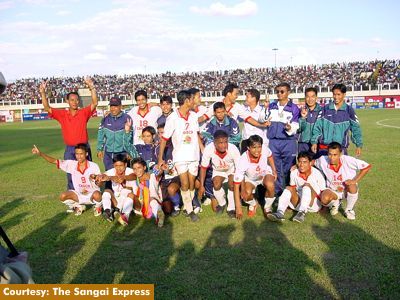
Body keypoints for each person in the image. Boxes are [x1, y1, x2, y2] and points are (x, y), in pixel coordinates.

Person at [39, 78, 98, 190]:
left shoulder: (83, 113)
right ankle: (73, 197)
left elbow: (95, 103)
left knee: (89, 171)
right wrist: (42, 92)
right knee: (71, 173)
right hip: (70, 149)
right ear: (67, 101)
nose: (75, 102)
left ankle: (93, 194)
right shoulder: (62, 114)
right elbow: (47, 107)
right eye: (72, 100)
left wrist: (92, 87)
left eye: (76, 100)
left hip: (84, 147)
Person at [158, 90, 204, 222]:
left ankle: (188, 204)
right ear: (187, 101)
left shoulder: (193, 116)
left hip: (194, 155)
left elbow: (196, 134)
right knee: (184, 182)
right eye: (192, 99)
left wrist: (202, 149)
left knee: (191, 183)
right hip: (180, 156)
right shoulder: (172, 118)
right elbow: (164, 138)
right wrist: (160, 158)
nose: (194, 101)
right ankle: (190, 210)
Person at [31, 143, 102, 216]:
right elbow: (54, 161)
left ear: (86, 154)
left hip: (92, 194)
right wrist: (40, 153)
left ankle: (98, 207)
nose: (79, 156)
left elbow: (100, 184)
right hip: (79, 195)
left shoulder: (94, 166)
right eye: (77, 154)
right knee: (63, 196)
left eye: (81, 154)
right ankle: (78, 206)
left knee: (97, 194)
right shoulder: (72, 164)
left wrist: (96, 180)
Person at [315, 142, 371, 220]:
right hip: (333, 190)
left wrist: (354, 180)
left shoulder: (348, 160)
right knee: (324, 199)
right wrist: (297, 165)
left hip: (346, 190)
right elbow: (311, 163)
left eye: (335, 155)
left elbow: (366, 166)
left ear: (340, 154)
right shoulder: (322, 160)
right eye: (330, 154)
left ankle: (349, 210)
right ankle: (335, 203)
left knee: (352, 185)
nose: (332, 157)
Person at [262, 82, 300, 195]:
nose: (279, 94)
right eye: (277, 91)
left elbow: (296, 125)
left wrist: (290, 128)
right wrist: (265, 110)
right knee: (276, 169)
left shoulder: (294, 108)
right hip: (273, 141)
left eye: (282, 91)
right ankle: (278, 193)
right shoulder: (271, 106)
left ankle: (290, 194)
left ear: (288, 92)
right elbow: (263, 119)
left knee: (289, 169)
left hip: (288, 142)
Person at [267, 151, 326, 223]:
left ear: (310, 163)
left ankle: (302, 213)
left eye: (305, 162)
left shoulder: (317, 173)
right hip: (299, 203)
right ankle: (280, 213)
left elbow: (323, 191)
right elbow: (292, 189)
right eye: (300, 162)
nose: (301, 165)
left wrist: (324, 208)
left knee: (306, 186)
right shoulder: (294, 172)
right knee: (289, 188)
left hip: (313, 204)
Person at [311, 84, 363, 157]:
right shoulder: (325, 109)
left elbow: (356, 129)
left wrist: (358, 145)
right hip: (324, 148)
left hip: (341, 149)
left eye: (339, 94)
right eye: (334, 94)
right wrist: (314, 142)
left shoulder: (349, 110)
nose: (336, 97)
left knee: (340, 168)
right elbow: (317, 126)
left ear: (344, 94)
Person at [233, 135, 277, 219]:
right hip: (250, 178)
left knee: (270, 185)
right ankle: (253, 204)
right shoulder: (243, 159)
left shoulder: (264, 149)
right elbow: (236, 185)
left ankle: (267, 208)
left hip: (264, 174)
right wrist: (238, 208)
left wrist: (274, 170)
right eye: (254, 147)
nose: (257, 150)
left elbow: (270, 155)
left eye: (259, 147)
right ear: (248, 147)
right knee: (246, 194)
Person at [198, 130, 240, 218]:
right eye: (220, 143)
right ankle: (222, 203)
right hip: (218, 171)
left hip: (231, 170)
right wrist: (202, 185)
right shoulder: (209, 149)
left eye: (225, 142)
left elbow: (239, 168)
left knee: (232, 184)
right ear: (214, 142)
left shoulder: (233, 149)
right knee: (216, 184)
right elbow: (203, 168)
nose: (223, 145)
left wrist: (238, 181)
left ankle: (231, 208)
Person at [97, 154, 135, 226]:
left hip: (127, 202)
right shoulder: (111, 171)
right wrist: (99, 178)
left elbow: (132, 176)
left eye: (121, 166)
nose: (118, 168)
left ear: (126, 165)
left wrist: (111, 178)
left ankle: (124, 216)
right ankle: (108, 212)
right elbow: (103, 176)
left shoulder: (130, 171)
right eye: (116, 166)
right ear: (113, 165)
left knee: (126, 191)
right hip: (116, 201)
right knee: (106, 192)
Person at [97, 96, 133, 171]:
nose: (113, 108)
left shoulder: (127, 118)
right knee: (109, 175)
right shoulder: (105, 118)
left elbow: (130, 136)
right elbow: (101, 134)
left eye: (115, 106)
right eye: (111, 106)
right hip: (108, 153)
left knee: (123, 176)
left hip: (122, 153)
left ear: (120, 106)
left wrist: (129, 151)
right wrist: (99, 149)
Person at [131, 157, 165, 227]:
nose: (137, 170)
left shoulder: (152, 176)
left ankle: (158, 216)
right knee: (130, 195)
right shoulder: (135, 180)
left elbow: (159, 172)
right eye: (134, 169)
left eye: (139, 168)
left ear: (144, 167)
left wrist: (160, 168)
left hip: (154, 202)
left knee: (151, 200)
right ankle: (124, 216)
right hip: (141, 205)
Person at [156, 123, 182, 217]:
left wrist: (170, 168)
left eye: (163, 132)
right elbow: (154, 170)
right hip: (164, 180)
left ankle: (177, 206)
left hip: (177, 176)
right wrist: (159, 169)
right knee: (167, 210)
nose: (162, 135)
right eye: (159, 133)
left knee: (171, 189)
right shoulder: (156, 149)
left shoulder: (176, 146)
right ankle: (176, 199)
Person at [240, 88, 268, 153]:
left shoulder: (263, 111)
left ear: (254, 98)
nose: (245, 99)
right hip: (245, 143)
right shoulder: (243, 110)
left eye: (247, 97)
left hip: (258, 143)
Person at [298, 87, 322, 153]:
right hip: (303, 144)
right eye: (308, 97)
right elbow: (299, 129)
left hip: (317, 144)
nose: (310, 99)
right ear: (305, 98)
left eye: (312, 96)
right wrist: (303, 118)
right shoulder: (300, 111)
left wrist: (316, 141)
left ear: (316, 97)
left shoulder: (322, 111)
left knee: (316, 163)